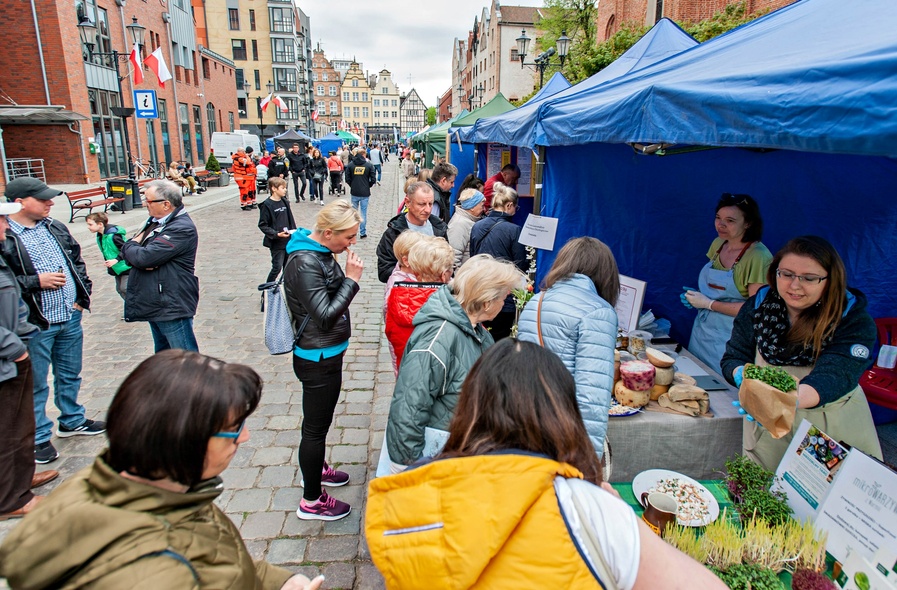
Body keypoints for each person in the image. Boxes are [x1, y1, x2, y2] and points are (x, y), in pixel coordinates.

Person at [367, 339, 727, 590]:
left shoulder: (412, 495)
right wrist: (619, 516)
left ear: (469, 407)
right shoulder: (594, 511)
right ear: (561, 413)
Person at [0, 349, 325, 590]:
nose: (245, 436)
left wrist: (279, 581)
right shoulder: (152, 575)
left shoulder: (127, 484)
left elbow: (212, 559)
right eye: (234, 427)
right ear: (184, 440)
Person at [721, 235, 883, 471]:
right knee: (763, 492)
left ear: (829, 280)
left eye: (809, 278)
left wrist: (787, 398)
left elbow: (834, 375)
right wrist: (740, 375)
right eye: (786, 274)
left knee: (821, 494)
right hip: (769, 420)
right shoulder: (759, 306)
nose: (795, 285)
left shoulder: (852, 319)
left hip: (828, 424)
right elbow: (734, 356)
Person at [383, 254, 524, 471]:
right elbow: (408, 408)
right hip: (436, 455)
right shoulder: (437, 340)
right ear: (486, 302)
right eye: (502, 298)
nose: (504, 303)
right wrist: (405, 468)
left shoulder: (475, 328)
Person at [3, 177, 99, 466]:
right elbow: (4, 280)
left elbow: (76, 260)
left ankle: (72, 420)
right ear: (20, 203)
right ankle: (37, 437)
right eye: (43, 198)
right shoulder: (5, 235)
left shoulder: (54, 226)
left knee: (70, 373)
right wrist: (36, 281)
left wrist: (82, 297)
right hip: (35, 322)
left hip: (69, 315)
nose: (50, 203)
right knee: (35, 383)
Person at [283, 200, 364, 521]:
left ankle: (315, 470)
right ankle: (312, 500)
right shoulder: (305, 262)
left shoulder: (318, 252)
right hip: (317, 356)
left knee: (321, 422)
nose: (352, 243)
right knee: (315, 429)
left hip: (325, 353)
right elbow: (326, 316)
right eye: (348, 237)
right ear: (327, 233)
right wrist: (351, 280)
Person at [517, 237, 620, 457]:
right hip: (561, 430)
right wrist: (587, 460)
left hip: (525, 420)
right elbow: (592, 398)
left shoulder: (537, 300)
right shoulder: (599, 312)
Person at [0, 199, 51, 520]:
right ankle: (11, 499)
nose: (7, 226)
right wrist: (13, 349)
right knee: (8, 429)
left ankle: (20, 479)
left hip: (14, 351)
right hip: (7, 359)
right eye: (2, 222)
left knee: (21, 425)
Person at [683, 193, 772, 371]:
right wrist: (696, 297)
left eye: (730, 220)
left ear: (748, 223)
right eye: (718, 218)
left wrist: (709, 303)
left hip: (730, 337)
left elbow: (756, 308)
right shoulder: (718, 244)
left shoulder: (758, 257)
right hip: (702, 332)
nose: (721, 225)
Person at [121, 180, 200, 353]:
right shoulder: (155, 222)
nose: (144, 204)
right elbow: (130, 255)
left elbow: (143, 258)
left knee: (186, 359)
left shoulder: (181, 228)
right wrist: (133, 249)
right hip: (158, 301)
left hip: (171, 303)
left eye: (148, 201)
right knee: (164, 359)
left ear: (166, 204)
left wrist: (133, 249)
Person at [384, 237, 453, 374]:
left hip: (407, 371)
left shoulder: (396, 296)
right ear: (444, 275)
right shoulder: (449, 303)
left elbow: (391, 333)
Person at [469, 182, 528, 340]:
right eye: (515, 207)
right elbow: (519, 265)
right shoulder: (514, 230)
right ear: (509, 205)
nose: (515, 211)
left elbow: (473, 257)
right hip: (503, 297)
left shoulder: (477, 226)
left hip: (480, 291)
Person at [376, 182, 448, 283]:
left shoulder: (439, 228)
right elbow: (384, 272)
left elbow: (447, 263)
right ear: (408, 202)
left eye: (430, 204)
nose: (427, 210)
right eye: (422, 204)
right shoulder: (393, 233)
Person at [382, 230, 429, 320]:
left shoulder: (416, 274)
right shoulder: (397, 282)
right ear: (406, 261)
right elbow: (390, 310)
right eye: (421, 256)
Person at [258, 177, 297, 284]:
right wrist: (276, 234)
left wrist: (294, 233)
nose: (285, 190)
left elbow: (291, 220)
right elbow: (263, 225)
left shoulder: (285, 202)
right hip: (277, 243)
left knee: (288, 268)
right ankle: (267, 290)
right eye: (282, 188)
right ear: (274, 189)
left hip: (288, 241)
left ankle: (288, 291)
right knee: (277, 267)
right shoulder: (267, 205)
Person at [85, 211, 131, 301]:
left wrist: (116, 260)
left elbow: (127, 249)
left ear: (100, 224)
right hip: (117, 268)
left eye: (90, 224)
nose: (88, 227)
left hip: (126, 266)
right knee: (119, 289)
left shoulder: (113, 236)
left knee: (125, 288)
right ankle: (131, 309)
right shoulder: (101, 236)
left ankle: (137, 309)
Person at [446, 188, 485, 270]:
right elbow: (453, 258)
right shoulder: (458, 225)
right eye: (482, 205)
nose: (484, 209)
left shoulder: (469, 221)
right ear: (472, 207)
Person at [346, 148, 377, 238]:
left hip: (354, 192)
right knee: (363, 213)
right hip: (365, 192)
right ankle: (362, 232)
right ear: (364, 155)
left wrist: (352, 185)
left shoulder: (351, 165)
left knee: (354, 213)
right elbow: (373, 178)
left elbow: (347, 178)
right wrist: (368, 185)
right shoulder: (368, 165)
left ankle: (352, 232)